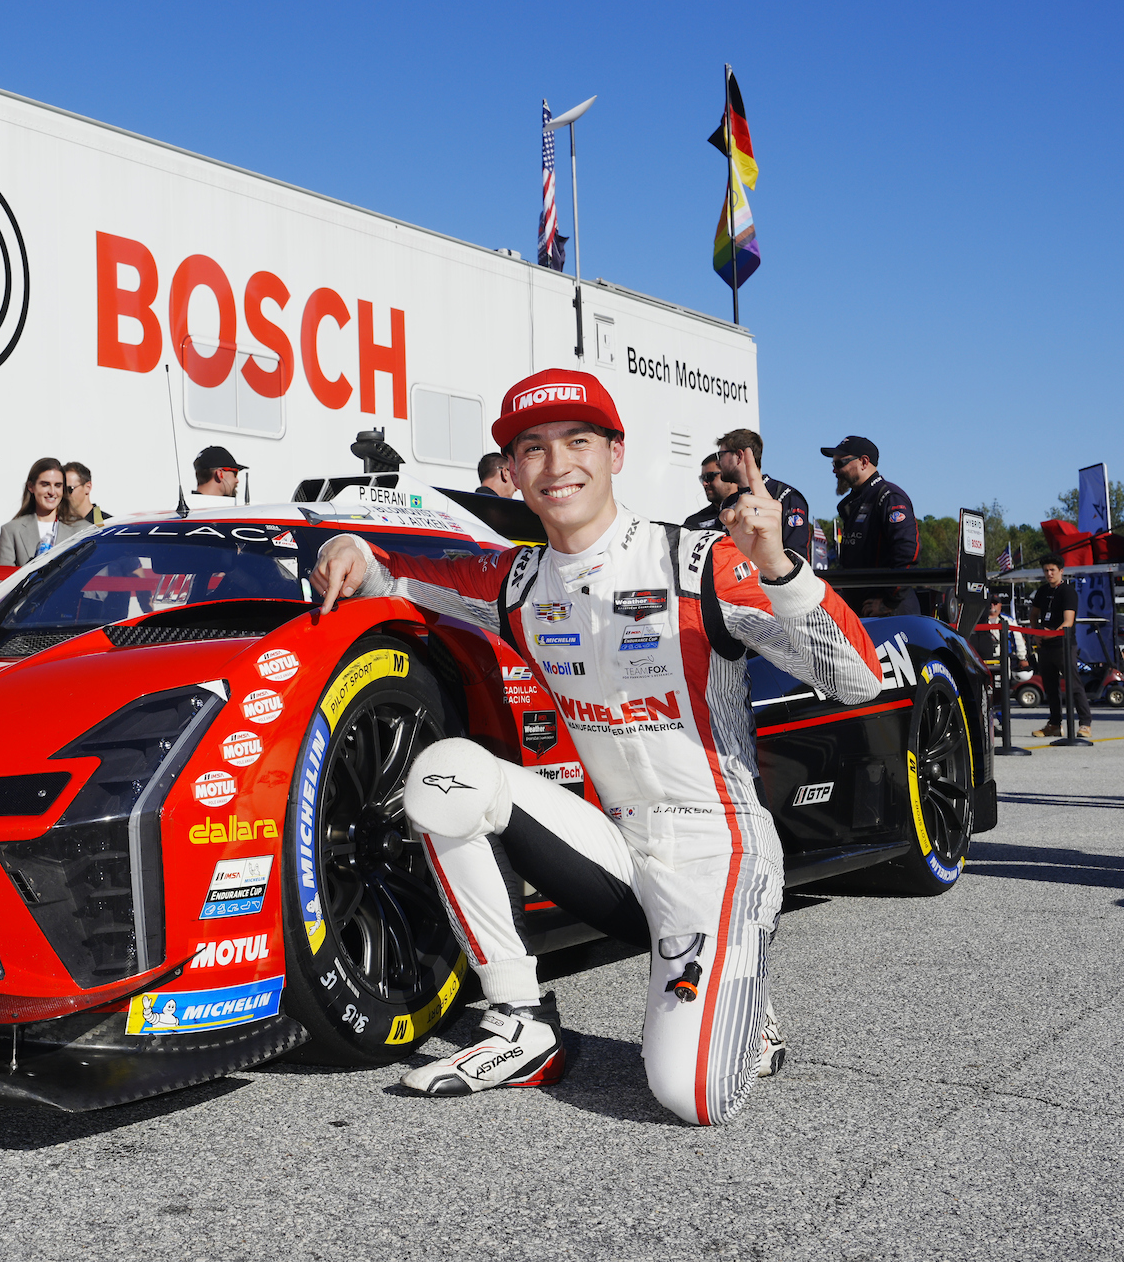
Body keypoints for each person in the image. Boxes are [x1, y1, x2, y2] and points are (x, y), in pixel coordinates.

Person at [309, 369, 881, 1122]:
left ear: (616, 452)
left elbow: (857, 680)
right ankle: (520, 1021)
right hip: (619, 854)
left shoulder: (699, 561)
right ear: (511, 474)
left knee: (689, 1095)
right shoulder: (514, 580)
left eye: (579, 441)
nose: (558, 465)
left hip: (723, 856)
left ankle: (742, 997)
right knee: (446, 777)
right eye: (533, 449)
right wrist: (350, 546)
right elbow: (401, 575)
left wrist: (778, 568)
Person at [686, 429, 811, 568]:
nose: (719, 462)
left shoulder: (785, 495)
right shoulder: (728, 502)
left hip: (772, 584)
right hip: (737, 586)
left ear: (739, 456)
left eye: (721, 455)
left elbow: (797, 557)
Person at [824, 435, 918, 615]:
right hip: (862, 611)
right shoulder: (855, 503)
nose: (834, 471)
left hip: (889, 613)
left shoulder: (888, 497)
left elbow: (908, 553)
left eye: (839, 464)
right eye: (833, 465)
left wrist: (889, 602)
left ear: (864, 462)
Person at [1028, 553, 1091, 739]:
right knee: (1049, 685)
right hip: (1045, 645)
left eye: (1052, 570)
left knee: (1073, 684)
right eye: (1046, 570)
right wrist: (1037, 634)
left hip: (1063, 644)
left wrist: (1049, 634)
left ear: (1061, 571)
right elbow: (1033, 615)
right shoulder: (1041, 591)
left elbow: (1068, 621)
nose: (1049, 574)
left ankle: (1085, 723)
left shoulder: (1067, 592)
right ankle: (1054, 724)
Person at [0, 457, 87, 566]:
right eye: (45, 484)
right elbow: (3, 580)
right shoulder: (12, 531)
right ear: (31, 486)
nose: (52, 492)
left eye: (58, 485)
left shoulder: (83, 530)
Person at [63, 462, 109, 529]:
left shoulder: (108, 524)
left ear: (88, 487)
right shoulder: (57, 524)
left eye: (69, 489)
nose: (64, 494)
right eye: (62, 489)